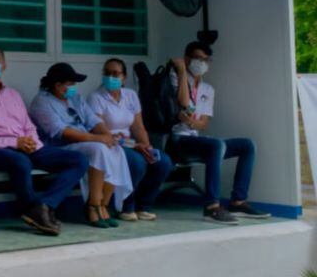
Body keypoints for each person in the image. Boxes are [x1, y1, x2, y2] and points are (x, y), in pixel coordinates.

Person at [0, 47, 88, 236]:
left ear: (4, 65)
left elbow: (28, 125)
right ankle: (31, 209)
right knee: (21, 161)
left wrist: (31, 142)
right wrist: (15, 143)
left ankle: (43, 206)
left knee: (79, 160)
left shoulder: (13, 95)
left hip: (25, 147)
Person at [167, 41, 270, 224]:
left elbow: (204, 123)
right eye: (198, 58)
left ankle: (238, 202)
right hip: (178, 140)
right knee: (216, 145)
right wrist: (181, 71)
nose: (202, 63)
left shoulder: (208, 89)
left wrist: (191, 121)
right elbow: (183, 102)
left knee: (247, 145)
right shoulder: (174, 78)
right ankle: (211, 207)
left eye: (206, 60)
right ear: (187, 59)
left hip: (195, 139)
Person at [30, 63, 133, 229]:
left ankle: (104, 205)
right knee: (98, 149)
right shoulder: (41, 102)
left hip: (84, 142)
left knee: (115, 148)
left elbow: (93, 120)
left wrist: (108, 136)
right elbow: (62, 132)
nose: (73, 87)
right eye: (70, 84)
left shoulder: (75, 98)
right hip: (60, 147)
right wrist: (97, 139)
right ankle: (92, 205)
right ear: (57, 85)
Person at [87, 58, 174, 222]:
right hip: (110, 145)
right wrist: (135, 146)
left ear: (124, 77)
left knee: (162, 162)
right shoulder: (95, 98)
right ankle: (126, 206)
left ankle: (144, 206)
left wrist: (146, 146)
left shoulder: (130, 95)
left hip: (131, 143)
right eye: (107, 73)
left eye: (115, 74)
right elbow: (104, 133)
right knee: (136, 162)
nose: (110, 77)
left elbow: (138, 127)